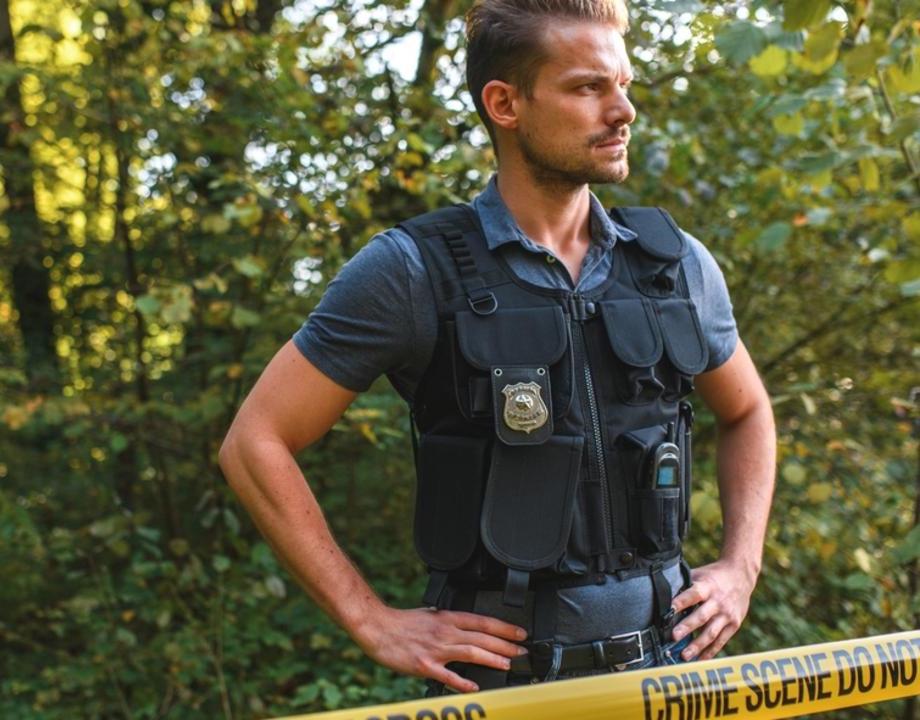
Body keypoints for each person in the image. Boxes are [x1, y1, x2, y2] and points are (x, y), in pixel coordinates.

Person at [217, 0, 775, 695]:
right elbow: (254, 442)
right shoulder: (414, 270)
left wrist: (740, 565)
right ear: (505, 104)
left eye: (625, 85)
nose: (624, 110)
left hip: (666, 672)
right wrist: (369, 618)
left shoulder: (673, 265)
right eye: (588, 87)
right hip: (501, 688)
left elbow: (748, 412)